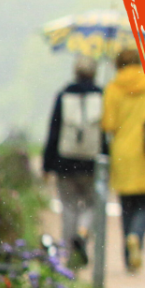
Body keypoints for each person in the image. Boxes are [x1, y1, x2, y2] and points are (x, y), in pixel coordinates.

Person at [101, 48, 145, 272]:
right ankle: (137, 237)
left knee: (127, 206)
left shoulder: (113, 88)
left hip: (122, 152)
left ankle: (127, 255)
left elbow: (109, 125)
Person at [42, 55, 104, 268]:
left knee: (68, 207)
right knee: (92, 204)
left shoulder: (63, 95)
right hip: (91, 162)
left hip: (65, 161)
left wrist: (47, 165)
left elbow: (54, 131)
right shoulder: (101, 95)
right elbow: (105, 134)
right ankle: (83, 233)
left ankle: (68, 250)